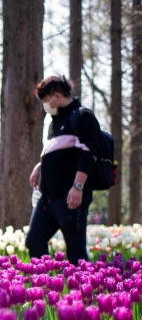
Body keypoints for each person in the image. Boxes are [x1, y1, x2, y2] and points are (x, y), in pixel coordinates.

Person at [26, 75, 100, 265]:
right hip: (48, 197)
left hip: (70, 197)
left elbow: (88, 153)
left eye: (45, 100)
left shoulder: (83, 116)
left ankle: (81, 292)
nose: (45, 105)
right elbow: (60, 154)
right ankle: (44, 287)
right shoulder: (54, 123)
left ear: (56, 96)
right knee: (34, 241)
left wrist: (78, 186)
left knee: (76, 252)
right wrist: (41, 165)